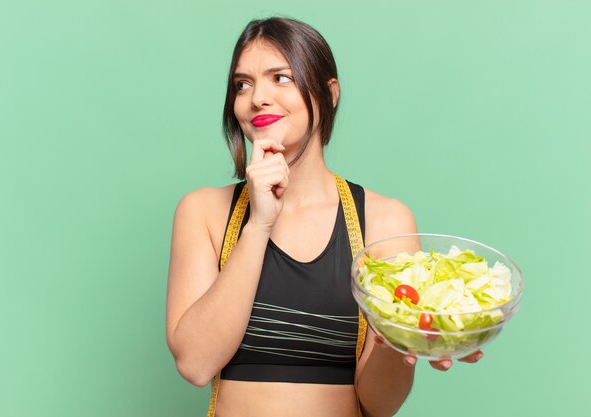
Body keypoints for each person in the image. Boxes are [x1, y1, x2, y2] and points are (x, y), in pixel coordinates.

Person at [166, 17, 482, 417]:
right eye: (242, 84)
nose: (257, 97)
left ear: (329, 92)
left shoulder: (384, 222)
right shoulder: (204, 212)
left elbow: (379, 405)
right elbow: (195, 364)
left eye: (280, 77)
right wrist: (259, 224)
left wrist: (397, 340)